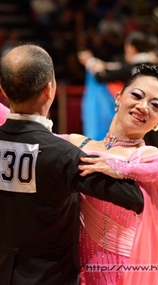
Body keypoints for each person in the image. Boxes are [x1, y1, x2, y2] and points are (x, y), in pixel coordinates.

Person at [0, 44, 144, 285]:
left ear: (3, 90)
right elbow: (133, 197)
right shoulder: (63, 155)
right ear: (50, 90)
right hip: (52, 277)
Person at [64, 64, 158, 284]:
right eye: (137, 95)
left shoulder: (146, 157)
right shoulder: (77, 143)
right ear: (119, 97)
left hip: (121, 274)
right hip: (72, 269)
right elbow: (27, 130)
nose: (143, 106)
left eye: (155, 105)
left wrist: (123, 168)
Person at [78, 31, 158, 210]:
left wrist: (89, 61)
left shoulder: (130, 67)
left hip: (141, 128)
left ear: (132, 48)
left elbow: (102, 76)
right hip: (157, 124)